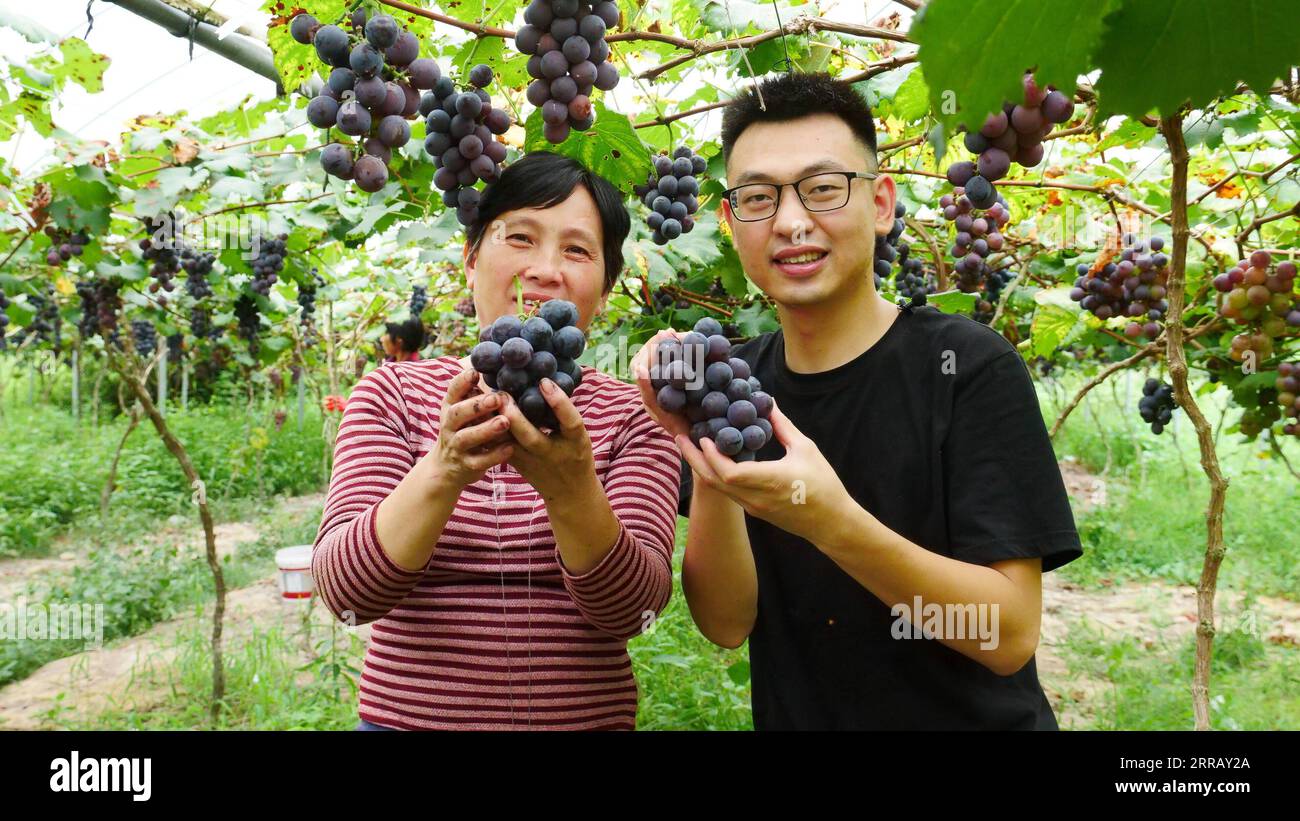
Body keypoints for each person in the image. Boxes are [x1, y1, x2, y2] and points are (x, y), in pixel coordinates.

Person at [633, 72, 1082, 730]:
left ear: (880, 204)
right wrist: (698, 441)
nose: (790, 222)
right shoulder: (732, 387)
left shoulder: (971, 369)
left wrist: (831, 521)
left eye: (821, 189)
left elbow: (1008, 633)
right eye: (759, 197)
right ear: (730, 222)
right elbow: (727, 623)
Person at [314, 151, 680, 730]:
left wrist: (571, 491)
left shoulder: (637, 413)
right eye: (521, 238)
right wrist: (443, 470)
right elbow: (344, 593)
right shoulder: (393, 394)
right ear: (470, 259)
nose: (544, 268)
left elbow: (634, 613)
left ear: (606, 289)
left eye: (578, 250)